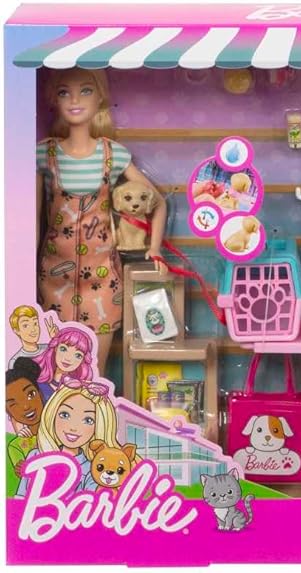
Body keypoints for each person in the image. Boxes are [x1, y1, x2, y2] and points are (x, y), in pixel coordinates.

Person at [37, 68, 167, 372]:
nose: (74, 100)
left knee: (95, 370)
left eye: (85, 90)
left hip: (103, 278)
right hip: (55, 278)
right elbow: (32, 221)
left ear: (100, 98)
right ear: (54, 99)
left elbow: (158, 202)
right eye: (64, 92)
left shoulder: (112, 154)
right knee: (55, 369)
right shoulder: (45, 155)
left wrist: (155, 247)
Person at [15, 379, 122, 497]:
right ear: (52, 414)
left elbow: (89, 504)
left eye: (88, 420)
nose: (73, 427)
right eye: (65, 415)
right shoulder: (35, 455)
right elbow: (20, 497)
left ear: (99, 426)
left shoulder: (92, 468)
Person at [5, 358, 45, 492]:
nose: (26, 406)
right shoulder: (16, 445)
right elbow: (23, 473)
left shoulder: (61, 431)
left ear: (40, 393)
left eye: (30, 394)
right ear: (8, 411)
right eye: (13, 404)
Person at [34, 327, 94, 401]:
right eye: (63, 349)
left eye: (78, 355)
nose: (68, 358)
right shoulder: (39, 385)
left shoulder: (78, 391)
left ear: (83, 360)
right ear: (56, 348)